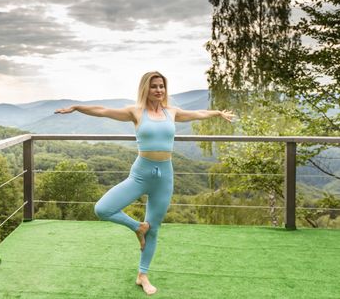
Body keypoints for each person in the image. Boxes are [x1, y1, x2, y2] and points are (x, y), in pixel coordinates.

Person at [55, 71, 235, 295]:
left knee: (155, 229)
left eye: (161, 86)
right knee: (102, 208)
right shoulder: (136, 112)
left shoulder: (172, 112)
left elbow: (197, 113)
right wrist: (77, 107)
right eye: (154, 86)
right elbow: (103, 111)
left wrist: (217, 113)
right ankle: (137, 227)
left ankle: (143, 275)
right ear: (145, 89)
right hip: (140, 174)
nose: (159, 90)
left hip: (165, 176)